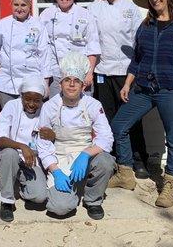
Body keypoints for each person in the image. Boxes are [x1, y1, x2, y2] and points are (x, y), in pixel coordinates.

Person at [110, 0, 173, 208]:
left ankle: (170, 183)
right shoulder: (146, 26)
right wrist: (128, 84)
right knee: (119, 125)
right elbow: (138, 58)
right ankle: (125, 174)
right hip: (144, 88)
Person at [88, 0, 149, 183]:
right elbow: (91, 40)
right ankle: (115, 162)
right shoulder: (94, 8)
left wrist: (134, 75)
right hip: (103, 71)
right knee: (108, 118)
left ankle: (138, 159)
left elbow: (138, 42)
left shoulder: (131, 9)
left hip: (126, 72)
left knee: (131, 118)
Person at [37, 52, 116, 220]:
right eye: (67, 80)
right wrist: (55, 171)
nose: (72, 85)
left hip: (85, 155)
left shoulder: (93, 105)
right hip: (60, 158)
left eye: (76, 81)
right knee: (60, 208)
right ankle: (71, 186)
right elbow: (43, 144)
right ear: (60, 84)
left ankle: (93, 200)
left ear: (82, 86)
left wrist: (86, 154)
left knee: (106, 161)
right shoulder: (49, 107)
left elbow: (106, 137)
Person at [0, 75, 51, 222]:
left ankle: (15, 183)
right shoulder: (12, 106)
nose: (31, 104)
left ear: (42, 100)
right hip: (6, 156)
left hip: (30, 161)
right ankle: (7, 201)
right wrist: (21, 146)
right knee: (10, 154)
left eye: (36, 100)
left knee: (40, 197)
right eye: (27, 99)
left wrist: (52, 135)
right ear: (21, 96)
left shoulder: (46, 110)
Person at [0, 0, 50, 107]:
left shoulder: (38, 26)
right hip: (7, 82)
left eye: (23, 5)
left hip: (32, 81)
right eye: (16, 4)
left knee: (31, 119)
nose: (19, 8)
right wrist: (5, 60)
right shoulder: (2, 25)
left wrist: (45, 82)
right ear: (11, 5)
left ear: (30, 6)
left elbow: (44, 54)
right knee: (9, 118)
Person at [39, 0, 100, 97]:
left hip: (81, 71)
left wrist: (89, 73)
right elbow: (41, 45)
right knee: (57, 108)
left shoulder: (85, 14)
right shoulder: (46, 14)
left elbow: (92, 45)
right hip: (55, 72)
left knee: (82, 108)